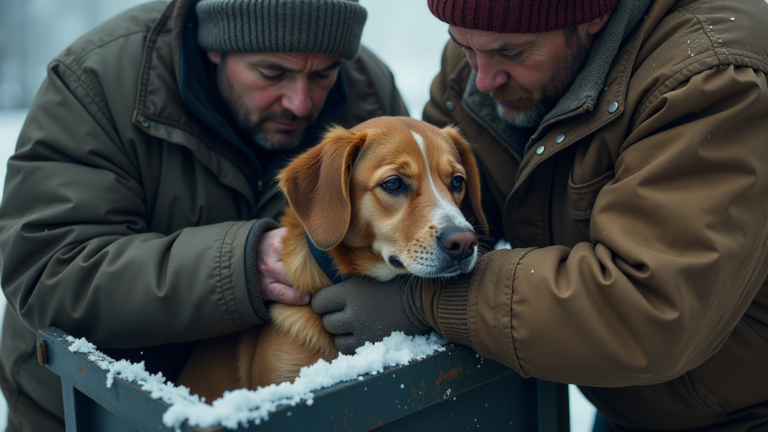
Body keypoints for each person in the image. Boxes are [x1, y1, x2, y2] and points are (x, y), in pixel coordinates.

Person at [311, 0, 768, 430]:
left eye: (511, 52)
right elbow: (447, 205)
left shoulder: (711, 79)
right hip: (630, 402)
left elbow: (651, 307)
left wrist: (423, 302)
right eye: (462, 45)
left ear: (594, 14)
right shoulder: (489, 46)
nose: (484, 80)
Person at [0, 0, 408, 430]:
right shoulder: (96, 81)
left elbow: (415, 225)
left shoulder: (366, 88)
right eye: (271, 73)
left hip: (283, 406)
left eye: (322, 74)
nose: (301, 103)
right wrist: (240, 265)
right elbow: (47, 267)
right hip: (87, 407)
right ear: (215, 46)